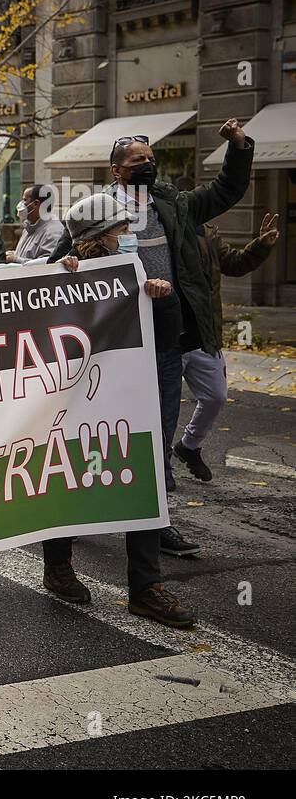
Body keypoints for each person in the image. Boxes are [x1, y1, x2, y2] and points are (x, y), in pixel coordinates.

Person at [46, 118, 254, 507]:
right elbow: (60, 261)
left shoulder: (173, 202)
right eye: (137, 159)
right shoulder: (95, 209)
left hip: (166, 334)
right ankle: (89, 503)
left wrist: (238, 147)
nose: (147, 163)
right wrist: (70, 264)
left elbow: (226, 191)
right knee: (112, 425)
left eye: (150, 158)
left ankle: (157, 505)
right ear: (116, 170)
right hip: (118, 340)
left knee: (161, 423)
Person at [39, 193, 201, 627]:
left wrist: (159, 297)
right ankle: (57, 566)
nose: (129, 237)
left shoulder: (136, 275)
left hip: (129, 399)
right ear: (98, 236)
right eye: (120, 230)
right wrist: (59, 277)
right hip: (75, 403)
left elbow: (168, 339)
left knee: (140, 480)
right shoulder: (61, 272)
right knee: (70, 480)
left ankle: (145, 588)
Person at [174, 213, 279, 483]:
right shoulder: (157, 233)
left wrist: (261, 244)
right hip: (168, 339)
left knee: (215, 396)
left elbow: (234, 262)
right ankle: (160, 469)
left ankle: (189, 446)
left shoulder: (207, 233)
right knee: (163, 405)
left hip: (203, 336)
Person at [7, 184, 64, 264]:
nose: (21, 204)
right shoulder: (29, 226)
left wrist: (16, 259)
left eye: (25, 200)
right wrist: (13, 254)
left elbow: (47, 264)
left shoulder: (53, 232)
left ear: (36, 203)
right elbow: (26, 255)